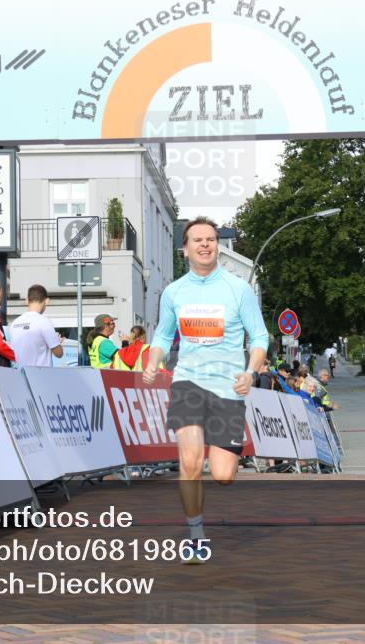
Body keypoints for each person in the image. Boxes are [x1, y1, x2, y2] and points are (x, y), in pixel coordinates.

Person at [143, 216, 269, 564]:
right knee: (190, 461)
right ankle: (196, 537)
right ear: (184, 249)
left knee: (224, 475)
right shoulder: (174, 292)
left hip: (228, 388)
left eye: (210, 239)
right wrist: (154, 360)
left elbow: (259, 337)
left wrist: (250, 371)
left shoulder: (237, 289)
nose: (204, 244)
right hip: (188, 383)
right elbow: (163, 337)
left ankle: (224, 468)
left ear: (217, 245)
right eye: (197, 239)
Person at [8, 284, 63, 367]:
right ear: (47, 301)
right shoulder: (44, 322)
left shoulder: (14, 323)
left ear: (27, 301)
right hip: (40, 376)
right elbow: (59, 354)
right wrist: (57, 342)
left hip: (19, 375)